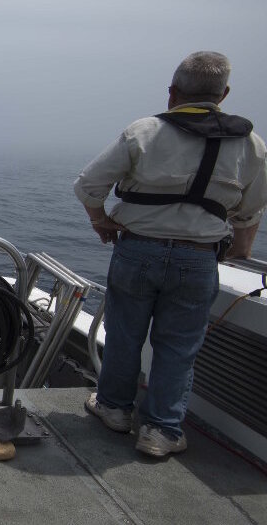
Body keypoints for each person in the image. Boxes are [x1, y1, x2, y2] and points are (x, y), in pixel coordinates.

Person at [73, 51, 267, 458]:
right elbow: (249, 216)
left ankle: (114, 410)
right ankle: (161, 432)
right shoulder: (250, 144)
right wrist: (236, 249)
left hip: (137, 251)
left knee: (125, 334)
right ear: (225, 93)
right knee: (179, 347)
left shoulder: (144, 132)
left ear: (172, 93)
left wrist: (102, 221)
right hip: (199, 259)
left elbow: (88, 186)